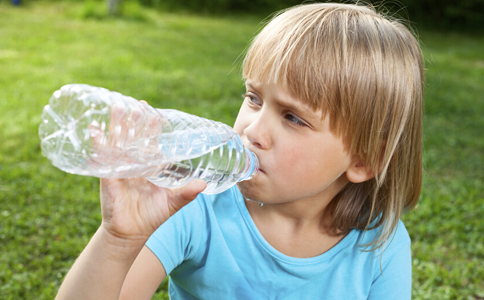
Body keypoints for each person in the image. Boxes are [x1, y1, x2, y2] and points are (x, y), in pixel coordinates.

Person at [55, 2, 424, 300]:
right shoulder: (195, 204)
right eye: (253, 98)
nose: (253, 130)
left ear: (363, 160)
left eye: (293, 118)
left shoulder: (379, 247)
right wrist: (119, 239)